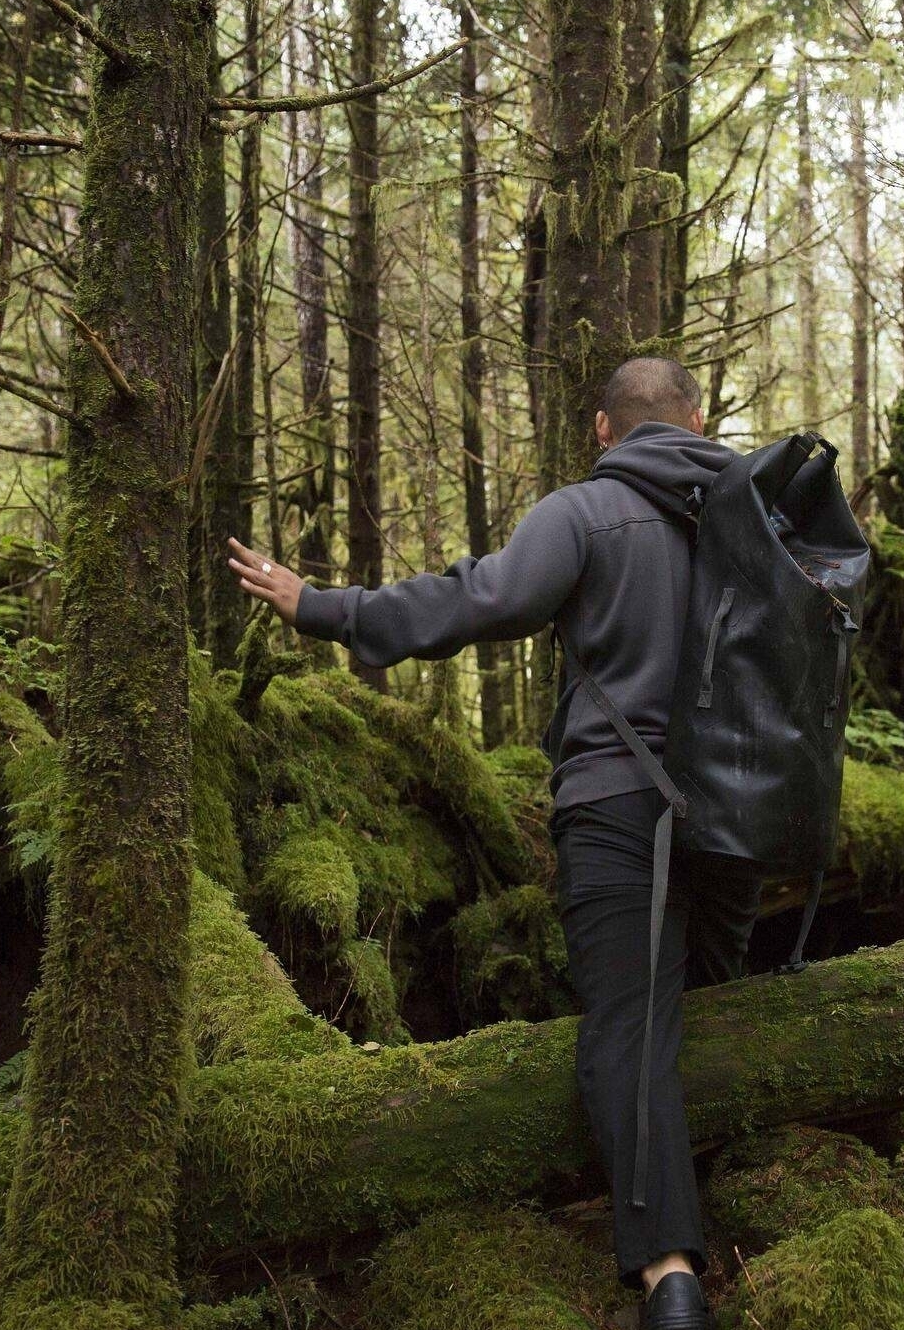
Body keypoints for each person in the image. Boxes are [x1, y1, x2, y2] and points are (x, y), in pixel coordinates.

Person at [227, 356, 759, 1330]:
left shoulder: (582, 513)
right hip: (739, 815)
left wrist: (325, 606)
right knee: (721, 1005)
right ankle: (745, 1198)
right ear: (697, 418)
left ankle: (672, 1279)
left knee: (627, 1032)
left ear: (603, 430)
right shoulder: (753, 519)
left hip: (616, 806)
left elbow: (482, 600)